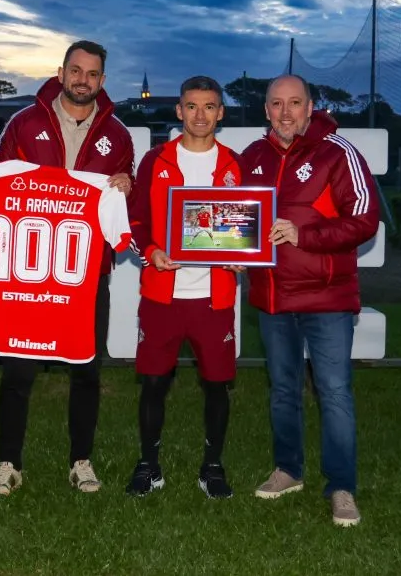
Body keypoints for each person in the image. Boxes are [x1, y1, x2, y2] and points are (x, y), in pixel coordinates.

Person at [0, 40, 134, 496]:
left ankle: (81, 461)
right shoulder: (24, 122)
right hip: (31, 271)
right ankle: (8, 462)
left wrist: (128, 184)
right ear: (62, 72)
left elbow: (130, 190)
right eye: (75, 70)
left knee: (87, 370)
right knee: (19, 370)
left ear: (102, 81)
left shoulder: (119, 134)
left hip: (87, 274)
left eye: (92, 73)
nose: (82, 80)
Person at [240, 74, 379, 527]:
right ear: (266, 110)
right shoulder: (253, 157)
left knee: (334, 392)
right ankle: (288, 469)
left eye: (294, 103)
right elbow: (235, 219)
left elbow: (364, 220)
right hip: (273, 296)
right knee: (282, 391)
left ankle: (341, 486)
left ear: (310, 106)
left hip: (326, 298)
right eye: (277, 104)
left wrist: (306, 234)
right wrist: (232, 252)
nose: (285, 113)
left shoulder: (338, 152)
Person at [125, 75, 244, 499]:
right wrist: (153, 251)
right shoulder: (156, 160)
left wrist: (241, 254)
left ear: (220, 113)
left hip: (214, 296)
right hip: (163, 293)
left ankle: (212, 468)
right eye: (191, 106)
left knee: (217, 384)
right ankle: (149, 464)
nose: (200, 115)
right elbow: (136, 219)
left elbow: (244, 224)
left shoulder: (234, 164)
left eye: (209, 106)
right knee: (154, 382)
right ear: (179, 111)